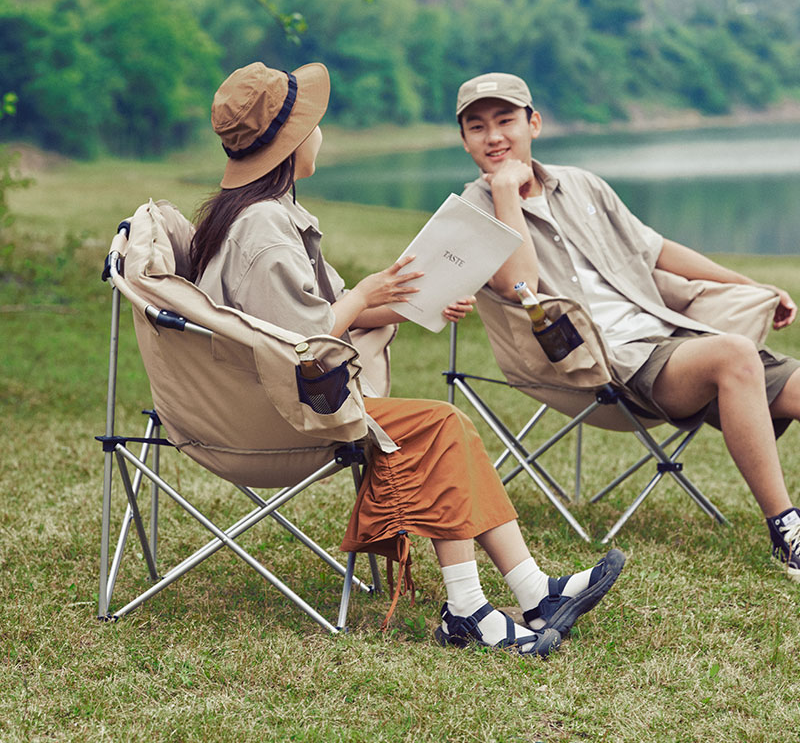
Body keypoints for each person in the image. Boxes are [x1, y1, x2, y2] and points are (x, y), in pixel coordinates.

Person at [189, 61, 625, 655]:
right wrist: (365, 295)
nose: (321, 134)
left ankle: (531, 591)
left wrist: (401, 300)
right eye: (313, 125)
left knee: (445, 427)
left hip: (264, 400)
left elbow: (315, 312)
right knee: (441, 425)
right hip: (276, 418)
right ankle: (469, 610)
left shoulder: (249, 211)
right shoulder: (264, 228)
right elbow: (299, 339)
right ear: (292, 143)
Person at [455, 71, 800, 582]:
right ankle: (787, 530)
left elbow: (654, 249)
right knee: (733, 355)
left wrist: (748, 283)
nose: (494, 137)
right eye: (477, 127)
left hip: (672, 335)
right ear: (464, 140)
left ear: (535, 124)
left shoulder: (582, 184)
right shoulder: (471, 213)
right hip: (606, 364)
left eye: (506, 121)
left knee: (765, 370)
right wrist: (506, 195)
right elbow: (521, 284)